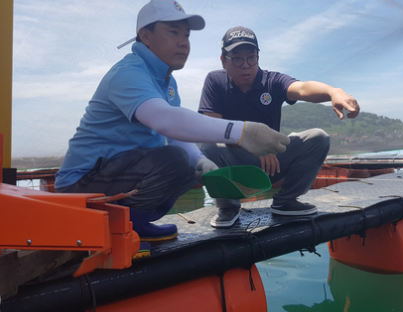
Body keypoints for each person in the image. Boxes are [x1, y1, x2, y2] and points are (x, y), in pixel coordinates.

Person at [54, 2, 289, 241]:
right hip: (80, 186)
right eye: (173, 33)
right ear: (146, 36)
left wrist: (201, 163)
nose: (183, 42)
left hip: (112, 174)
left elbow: (175, 134)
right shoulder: (128, 73)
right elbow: (165, 119)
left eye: (186, 35)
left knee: (187, 164)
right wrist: (242, 131)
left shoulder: (166, 81)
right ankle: (126, 225)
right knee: (175, 161)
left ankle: (132, 221)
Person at [198, 26, 360, 228]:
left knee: (318, 137)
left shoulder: (271, 81)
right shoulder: (215, 81)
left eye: (251, 58)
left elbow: (301, 88)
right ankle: (228, 207)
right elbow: (210, 127)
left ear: (258, 57)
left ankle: (286, 201)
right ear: (223, 61)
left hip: (272, 162)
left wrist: (332, 92)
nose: (245, 65)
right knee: (206, 145)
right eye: (237, 59)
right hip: (235, 162)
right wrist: (255, 146)